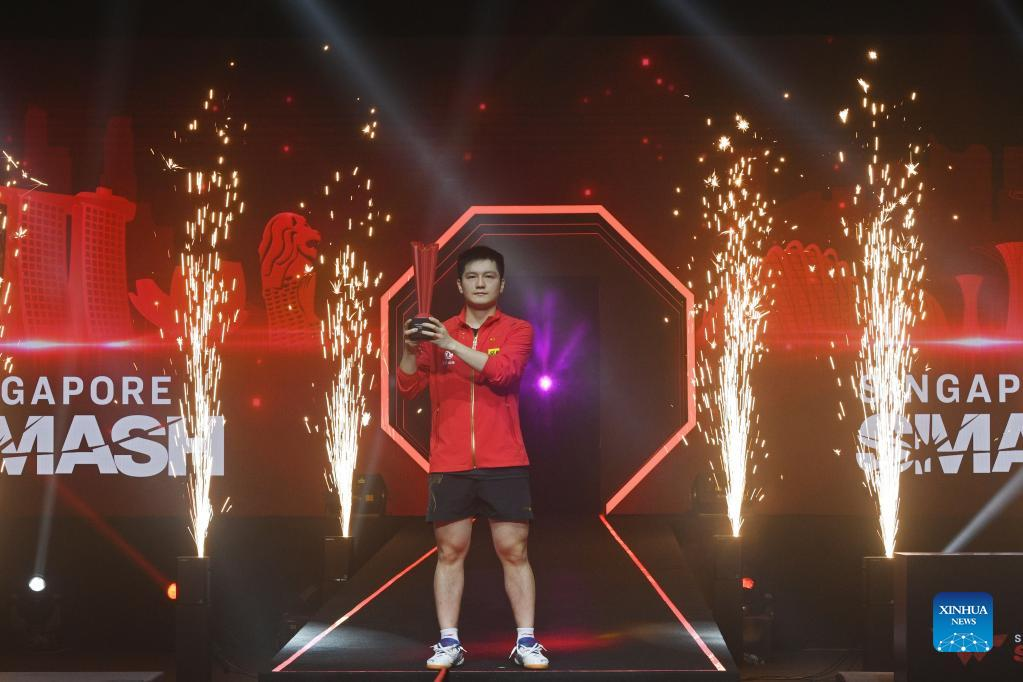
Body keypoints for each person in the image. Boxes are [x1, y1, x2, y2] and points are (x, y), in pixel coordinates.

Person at [396, 245, 549, 671]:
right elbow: (407, 387)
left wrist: (449, 344)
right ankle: (448, 642)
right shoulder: (439, 330)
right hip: (450, 461)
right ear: (460, 284)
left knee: (513, 550)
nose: (481, 283)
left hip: (505, 460)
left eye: (489, 276)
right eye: (472, 277)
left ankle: (526, 641)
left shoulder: (518, 330)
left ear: (502, 283)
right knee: (450, 552)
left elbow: (504, 374)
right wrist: (410, 348)